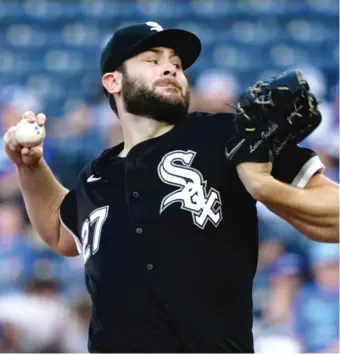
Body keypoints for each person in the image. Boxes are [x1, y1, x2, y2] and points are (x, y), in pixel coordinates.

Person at [3, 21, 339, 353]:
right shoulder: (97, 175)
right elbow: (60, 232)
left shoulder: (229, 136)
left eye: (176, 64)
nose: (169, 69)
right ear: (112, 81)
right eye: (152, 60)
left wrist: (264, 187)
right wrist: (30, 166)